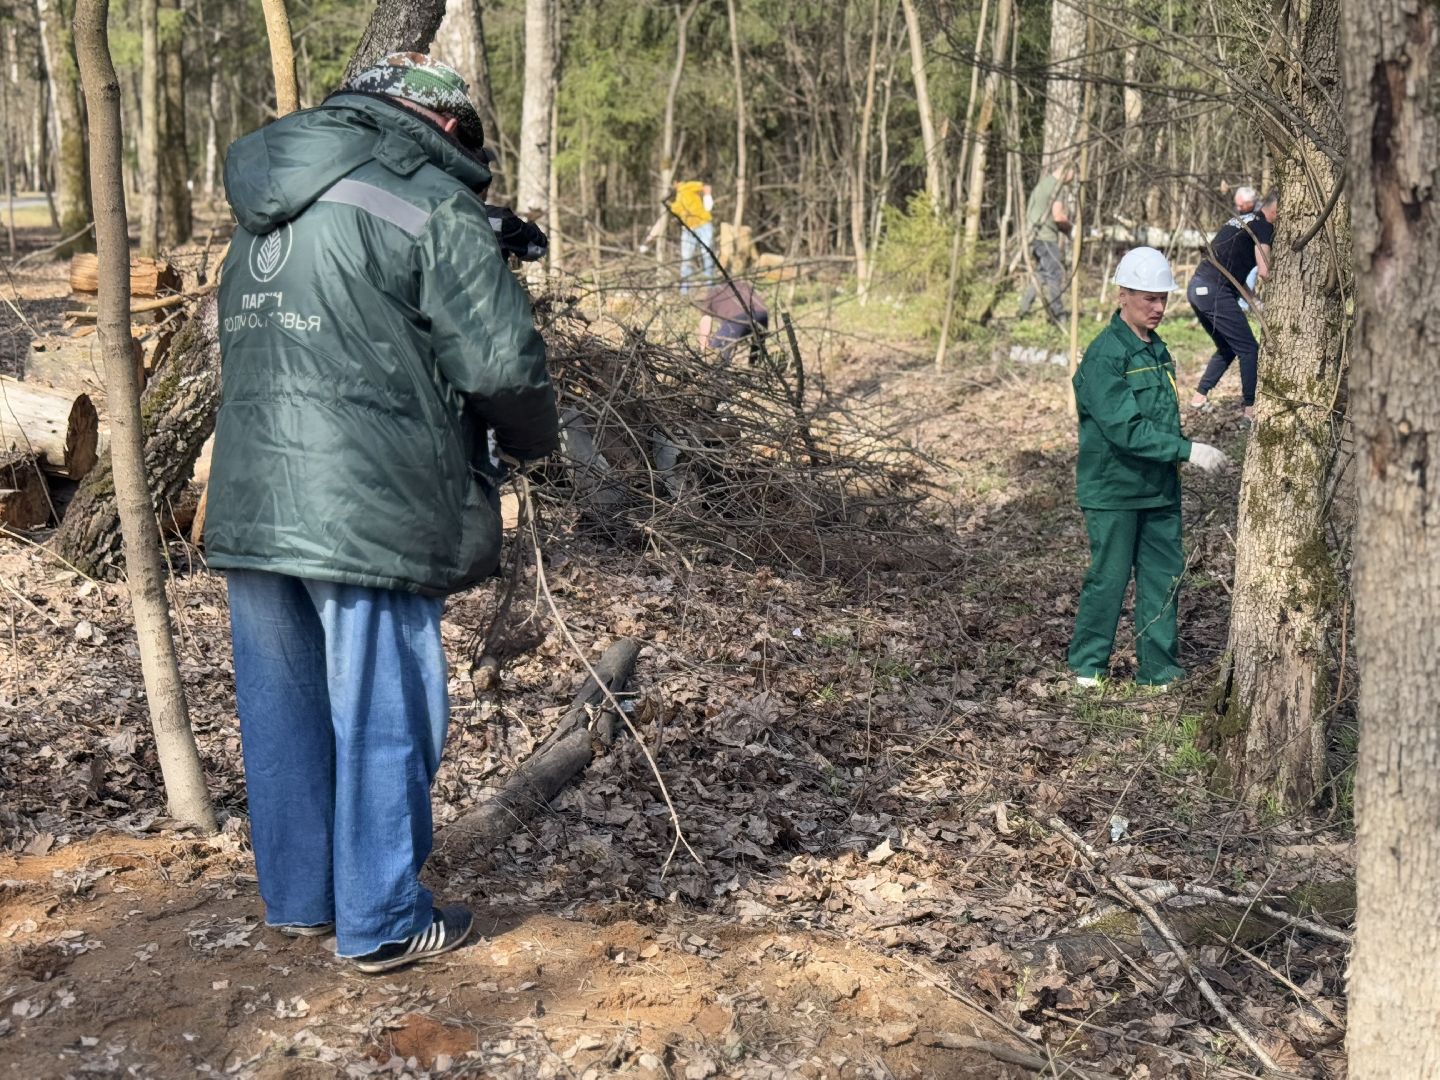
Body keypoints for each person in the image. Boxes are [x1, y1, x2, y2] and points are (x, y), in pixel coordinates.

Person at [207, 53, 559, 974]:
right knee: (383, 713)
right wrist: (534, 442)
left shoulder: (264, 203)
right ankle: (385, 920)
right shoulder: (429, 201)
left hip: (253, 497)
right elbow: (502, 366)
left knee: (283, 711)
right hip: (372, 506)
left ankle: (303, 900)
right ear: (439, 126)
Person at [1068, 247, 1230, 690]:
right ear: (1123, 295)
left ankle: (1158, 671)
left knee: (1163, 580)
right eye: (1148, 298)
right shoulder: (1106, 356)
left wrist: (1175, 455)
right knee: (1109, 578)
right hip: (1114, 488)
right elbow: (1125, 429)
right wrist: (1186, 450)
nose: (1158, 308)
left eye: (1162, 298)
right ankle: (1088, 667)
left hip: (1159, 488)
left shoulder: (1157, 349)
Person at [1188, 192, 1278, 420]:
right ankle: (1250, 408)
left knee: (1227, 347)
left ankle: (1199, 396)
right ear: (1276, 210)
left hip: (1199, 287)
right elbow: (1266, 272)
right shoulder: (1263, 226)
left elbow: (1232, 271)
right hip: (1215, 290)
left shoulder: (1243, 220)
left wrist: (1256, 301)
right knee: (1248, 348)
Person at [1016, 161, 1075, 323]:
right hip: (1047, 238)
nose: (1072, 180)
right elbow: (1058, 216)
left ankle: (1023, 308)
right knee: (1054, 275)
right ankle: (1058, 314)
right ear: (1067, 172)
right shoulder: (1057, 187)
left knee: (1041, 275)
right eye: (1073, 176)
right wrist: (1072, 230)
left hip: (1035, 237)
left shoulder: (1043, 183)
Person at [696, 280, 769, 364]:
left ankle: (719, 370)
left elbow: (706, 320)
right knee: (757, 346)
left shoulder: (713, 292)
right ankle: (755, 368)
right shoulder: (743, 285)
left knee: (716, 351)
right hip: (762, 314)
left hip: (737, 318)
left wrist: (704, 348)